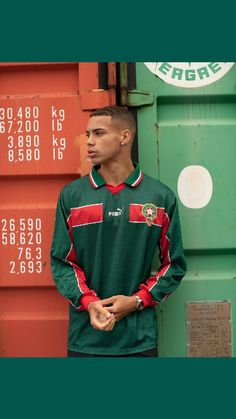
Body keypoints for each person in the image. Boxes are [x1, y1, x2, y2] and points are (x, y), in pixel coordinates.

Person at [50, 106, 187, 357]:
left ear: (124, 137)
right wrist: (89, 303)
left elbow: (174, 264)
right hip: (85, 339)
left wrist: (136, 301)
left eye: (99, 133)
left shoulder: (159, 197)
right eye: (88, 133)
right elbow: (62, 262)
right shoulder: (72, 196)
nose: (90, 141)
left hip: (139, 339)